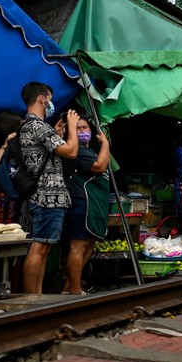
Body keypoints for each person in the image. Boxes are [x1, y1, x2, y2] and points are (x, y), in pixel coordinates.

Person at [19, 82, 79, 295]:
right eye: (50, 98)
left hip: (46, 195)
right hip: (47, 196)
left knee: (43, 247)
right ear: (42, 100)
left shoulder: (31, 126)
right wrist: (72, 126)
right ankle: (31, 298)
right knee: (39, 247)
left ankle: (37, 296)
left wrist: (56, 133)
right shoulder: (37, 126)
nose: (52, 103)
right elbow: (71, 151)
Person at [61, 116, 110, 296]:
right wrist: (105, 143)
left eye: (85, 127)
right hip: (82, 203)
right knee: (78, 246)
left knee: (88, 247)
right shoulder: (78, 150)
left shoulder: (88, 150)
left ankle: (69, 287)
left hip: (93, 204)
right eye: (78, 128)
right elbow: (99, 167)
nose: (83, 131)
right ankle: (75, 290)